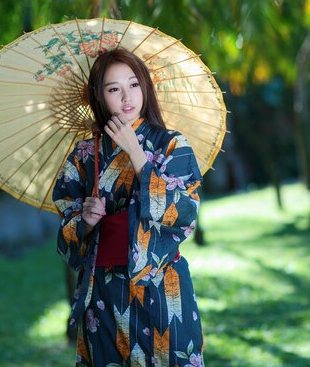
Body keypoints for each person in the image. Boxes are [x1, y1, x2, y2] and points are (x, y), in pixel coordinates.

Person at [53, 48, 205, 367]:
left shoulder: (171, 144)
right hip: (103, 293)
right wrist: (86, 221)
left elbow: (187, 213)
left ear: (145, 87)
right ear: (99, 95)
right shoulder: (84, 155)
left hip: (160, 286)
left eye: (134, 84)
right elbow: (65, 238)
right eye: (113, 89)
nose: (126, 97)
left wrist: (138, 156)